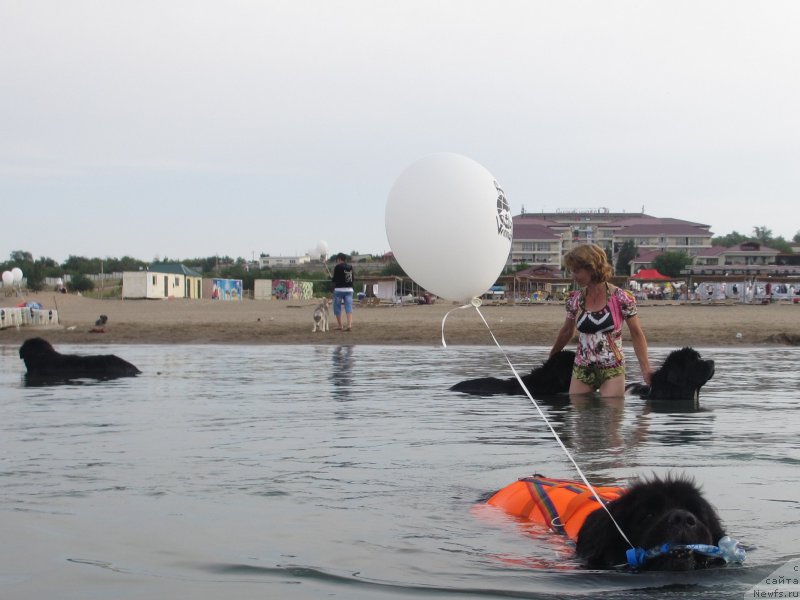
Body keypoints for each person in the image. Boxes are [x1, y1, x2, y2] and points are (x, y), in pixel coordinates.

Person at [549, 244, 652, 397]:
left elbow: (636, 333)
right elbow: (566, 331)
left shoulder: (621, 297)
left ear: (591, 268)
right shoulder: (575, 299)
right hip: (582, 368)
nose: (573, 276)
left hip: (612, 369)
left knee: (612, 414)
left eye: (576, 271)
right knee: (579, 416)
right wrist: (552, 357)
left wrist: (645, 369)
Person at [331, 252, 354, 331]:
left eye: (337, 260)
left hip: (339, 290)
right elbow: (352, 278)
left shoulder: (337, 267)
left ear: (339, 259)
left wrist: (332, 278)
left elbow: (334, 279)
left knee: (337, 307)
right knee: (348, 307)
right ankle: (349, 325)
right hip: (349, 289)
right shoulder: (350, 267)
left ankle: (340, 325)